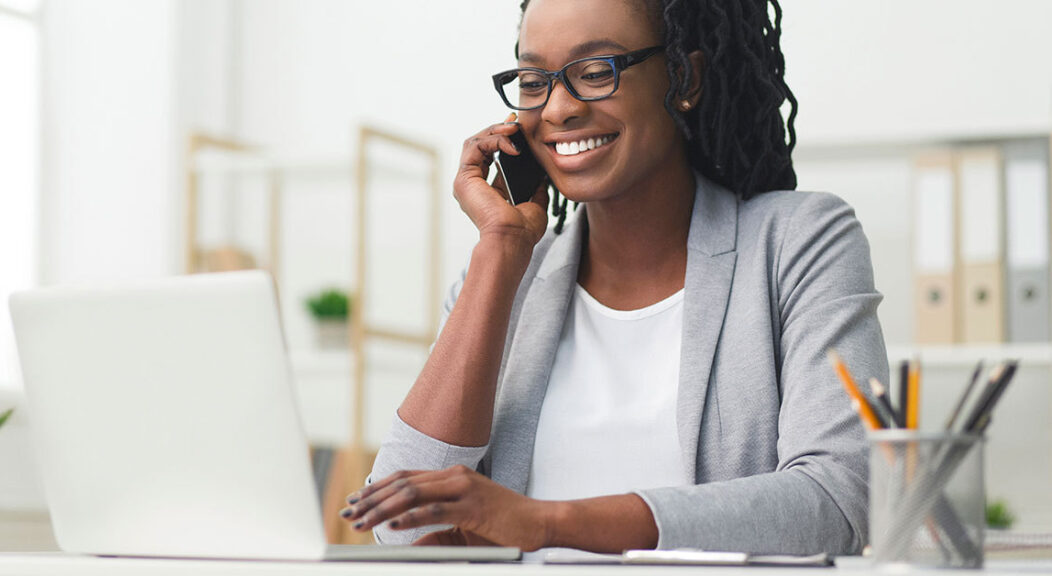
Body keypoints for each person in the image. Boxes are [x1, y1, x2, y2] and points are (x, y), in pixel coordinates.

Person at [339, 0, 888, 556]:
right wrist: (501, 249)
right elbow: (399, 528)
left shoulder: (798, 242)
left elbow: (840, 500)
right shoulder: (506, 277)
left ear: (683, 77)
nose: (557, 108)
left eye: (596, 71)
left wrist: (547, 523)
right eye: (534, 81)